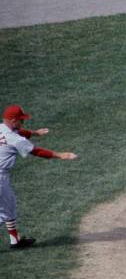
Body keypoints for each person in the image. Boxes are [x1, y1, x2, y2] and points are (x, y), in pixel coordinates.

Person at [1, 104, 78, 249]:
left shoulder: (2, 128)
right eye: (20, 120)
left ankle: (15, 240)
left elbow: (19, 132)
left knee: (9, 205)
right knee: (4, 213)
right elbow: (36, 151)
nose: (22, 122)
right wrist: (61, 155)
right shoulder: (15, 139)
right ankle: (15, 240)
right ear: (12, 120)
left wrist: (34, 133)